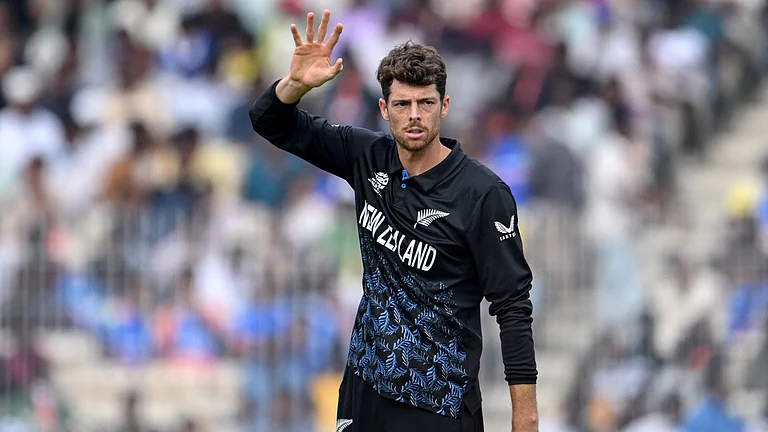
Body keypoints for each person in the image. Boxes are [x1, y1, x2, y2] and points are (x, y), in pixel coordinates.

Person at [249, 10, 538, 432]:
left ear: (445, 106)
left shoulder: (482, 193)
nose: (415, 115)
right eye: (403, 104)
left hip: (439, 400)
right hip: (365, 387)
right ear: (385, 108)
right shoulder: (366, 157)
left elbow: (512, 307)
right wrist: (293, 86)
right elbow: (268, 122)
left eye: (426, 103)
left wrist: (525, 419)